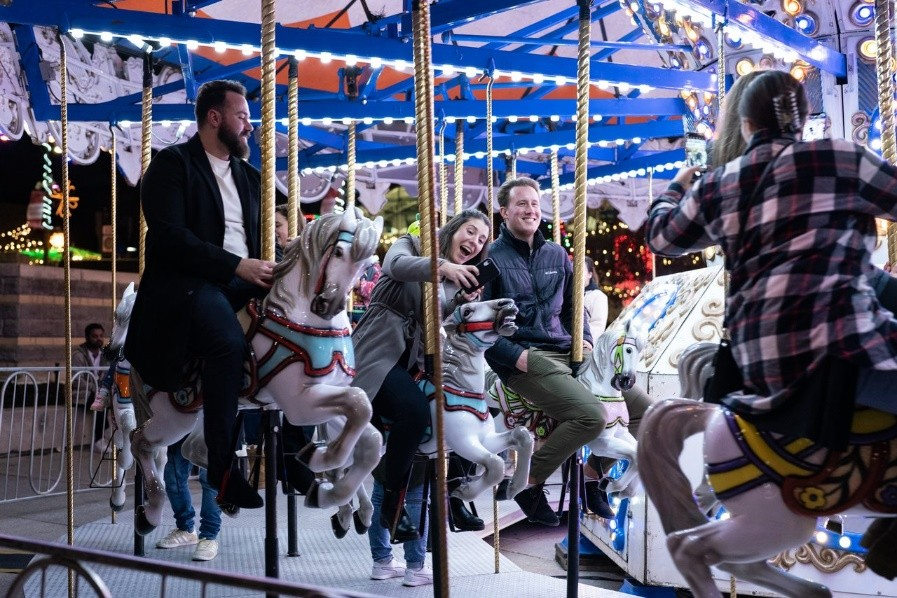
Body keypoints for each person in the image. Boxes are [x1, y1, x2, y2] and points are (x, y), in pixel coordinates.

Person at [646, 69, 897, 449]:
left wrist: (677, 185)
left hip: (757, 360)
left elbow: (661, 238)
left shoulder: (716, 184)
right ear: (801, 120)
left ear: (745, 123)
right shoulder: (841, 158)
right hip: (841, 345)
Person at [124, 79, 274, 510]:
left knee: (301, 326)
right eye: (242, 116)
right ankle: (224, 469)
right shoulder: (172, 166)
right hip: (191, 282)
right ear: (215, 117)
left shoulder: (250, 177)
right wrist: (234, 265)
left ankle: (296, 446)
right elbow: (170, 237)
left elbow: (263, 238)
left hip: (243, 279)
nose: (249, 126)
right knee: (227, 346)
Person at [352, 209, 489, 567]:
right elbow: (395, 267)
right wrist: (442, 267)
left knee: (461, 407)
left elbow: (442, 325)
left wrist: (462, 305)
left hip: (414, 361)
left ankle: (458, 494)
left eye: (481, 240)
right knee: (413, 412)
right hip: (378, 352)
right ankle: (395, 502)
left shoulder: (454, 283)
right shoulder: (410, 245)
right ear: (453, 229)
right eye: (470, 232)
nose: (474, 242)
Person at [481, 177, 604, 527]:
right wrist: (512, 355)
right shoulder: (491, 258)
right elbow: (478, 322)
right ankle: (530, 481)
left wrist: (586, 338)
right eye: (521, 204)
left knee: (638, 407)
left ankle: (595, 475)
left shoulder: (556, 253)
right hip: (523, 355)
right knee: (591, 416)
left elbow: (571, 308)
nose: (531, 210)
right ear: (504, 212)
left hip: (563, 349)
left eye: (535, 204)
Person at [156, 436, 221, 561]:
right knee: (173, 477)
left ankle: (208, 537)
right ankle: (185, 528)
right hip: (180, 423)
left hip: (212, 421)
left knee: (210, 478)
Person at [72, 323, 111, 451]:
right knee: (100, 399)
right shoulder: (79, 355)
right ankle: (98, 440)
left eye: (101, 336)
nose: (98, 339)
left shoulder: (105, 355)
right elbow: (77, 380)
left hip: (99, 392)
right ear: (87, 337)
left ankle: (112, 438)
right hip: (82, 393)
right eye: (95, 336)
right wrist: (95, 387)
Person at [582, 256, 608, 339]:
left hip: (585, 344)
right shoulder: (565, 294)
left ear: (589, 274)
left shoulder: (598, 297)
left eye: (581, 271)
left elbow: (598, 327)